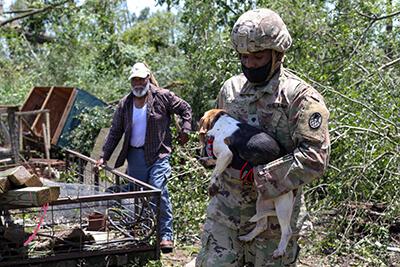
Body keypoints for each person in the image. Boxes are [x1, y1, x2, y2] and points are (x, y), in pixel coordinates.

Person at [196, 8, 330, 266]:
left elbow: (315, 158)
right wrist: (210, 153)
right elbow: (218, 135)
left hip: (272, 222)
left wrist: (257, 176)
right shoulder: (231, 89)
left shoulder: (300, 97)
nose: (249, 63)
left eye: (257, 56)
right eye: (243, 57)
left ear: (277, 54)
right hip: (226, 213)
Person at [94, 62, 192, 250]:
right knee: (139, 196)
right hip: (135, 155)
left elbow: (185, 108)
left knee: (157, 190)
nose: (138, 83)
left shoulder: (162, 96)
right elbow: (115, 131)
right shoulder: (125, 104)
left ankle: (166, 235)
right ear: (131, 82)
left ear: (148, 78)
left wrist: (186, 129)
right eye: (134, 80)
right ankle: (145, 232)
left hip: (158, 154)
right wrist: (103, 156)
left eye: (141, 79)